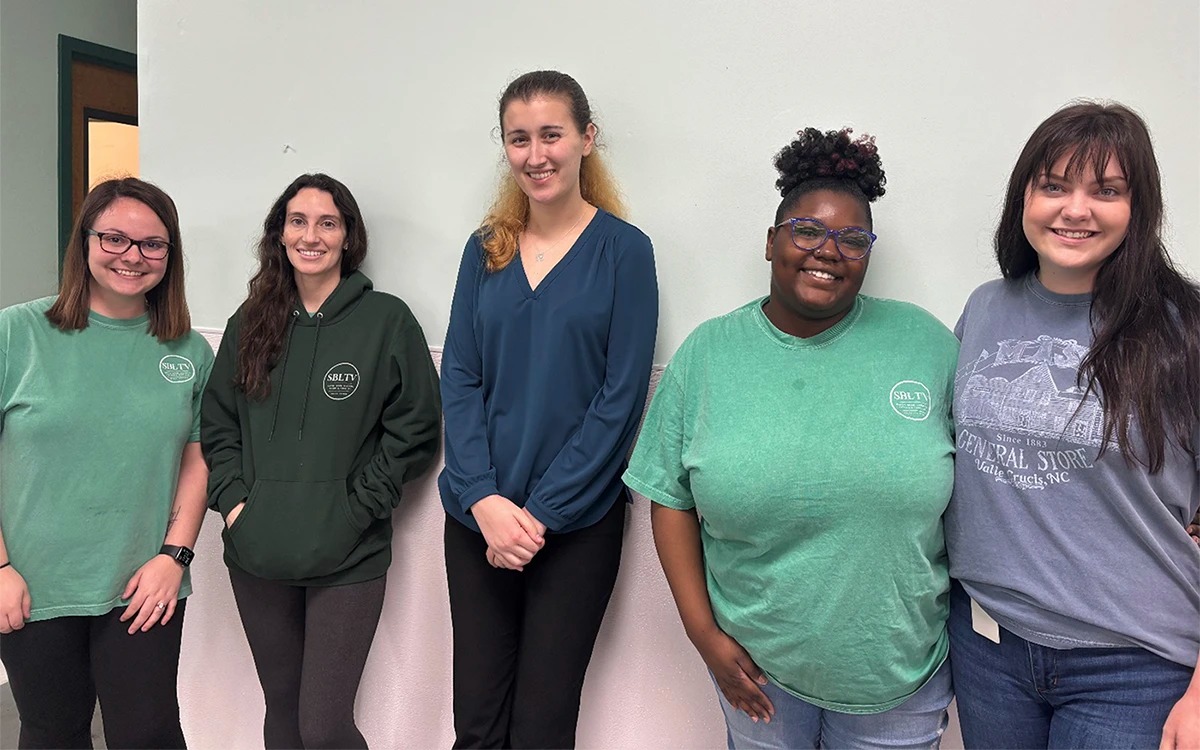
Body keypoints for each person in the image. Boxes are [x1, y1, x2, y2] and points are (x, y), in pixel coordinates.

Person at [623, 127, 957, 749]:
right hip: (759, 678)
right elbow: (669, 499)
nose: (828, 251)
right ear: (772, 241)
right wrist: (703, 636)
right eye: (807, 231)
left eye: (853, 239)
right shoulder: (708, 356)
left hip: (900, 679)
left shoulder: (927, 345)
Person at [946, 101, 1200, 749]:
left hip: (1132, 664)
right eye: (1053, 185)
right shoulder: (985, 308)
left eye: (1106, 191)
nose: (1075, 209)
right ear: (1023, 198)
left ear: (1137, 208)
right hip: (988, 641)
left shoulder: (1183, 330)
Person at [439, 70, 658, 748]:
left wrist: (539, 516)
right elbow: (461, 379)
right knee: (476, 724)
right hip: (478, 521)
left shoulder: (626, 252)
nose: (537, 154)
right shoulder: (485, 251)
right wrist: (483, 500)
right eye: (520, 138)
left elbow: (618, 399)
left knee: (542, 727)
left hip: (574, 529)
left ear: (587, 139)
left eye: (552, 135)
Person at [201, 173, 441, 749]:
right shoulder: (250, 321)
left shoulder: (386, 320)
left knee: (325, 726)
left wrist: (356, 508)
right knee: (282, 718)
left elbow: (416, 427)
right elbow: (218, 424)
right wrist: (237, 505)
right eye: (298, 222)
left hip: (348, 559)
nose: (312, 235)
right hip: (257, 555)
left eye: (327, 223)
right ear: (280, 236)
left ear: (347, 236)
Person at [0, 177, 212, 748]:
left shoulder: (189, 351)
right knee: (52, 731)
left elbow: (199, 461)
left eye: (152, 244)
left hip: (145, 585)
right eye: (114, 238)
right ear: (85, 242)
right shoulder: (15, 332)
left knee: (149, 734)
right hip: (32, 585)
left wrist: (176, 556)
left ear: (171, 255)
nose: (132, 257)